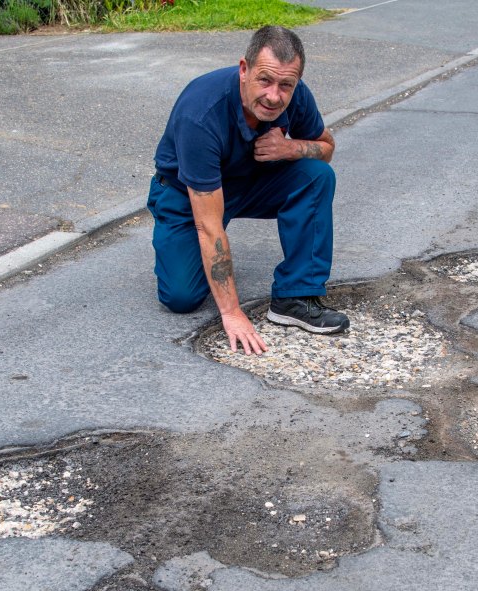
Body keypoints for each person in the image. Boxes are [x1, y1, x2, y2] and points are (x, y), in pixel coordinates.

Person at [147, 25, 350, 356]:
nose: (274, 96)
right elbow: (207, 225)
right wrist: (231, 312)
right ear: (244, 69)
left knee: (316, 175)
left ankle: (295, 295)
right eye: (265, 80)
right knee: (181, 298)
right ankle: (182, 253)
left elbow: (326, 148)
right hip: (186, 195)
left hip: (249, 182)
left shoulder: (296, 95)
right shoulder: (201, 113)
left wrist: (291, 149)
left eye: (286, 85)